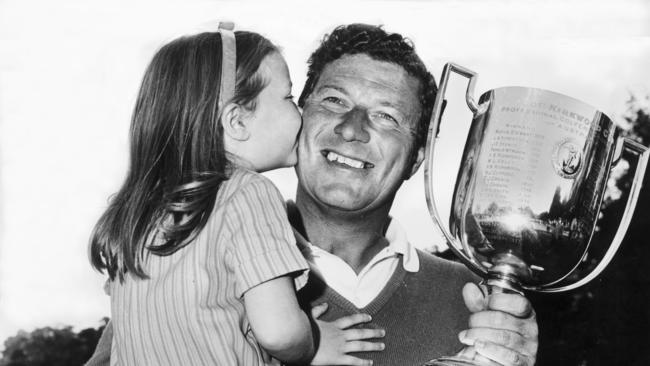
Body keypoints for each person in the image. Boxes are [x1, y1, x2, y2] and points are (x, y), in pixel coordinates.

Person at [87, 23, 538, 366]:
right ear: (298, 117)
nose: (351, 129)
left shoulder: (472, 297)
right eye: (334, 102)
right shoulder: (184, 252)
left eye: (385, 116)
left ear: (417, 157)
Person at [88, 25, 383, 366]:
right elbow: (280, 333)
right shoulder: (248, 193)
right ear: (238, 121)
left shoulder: (138, 211)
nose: (299, 113)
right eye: (288, 98)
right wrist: (313, 343)